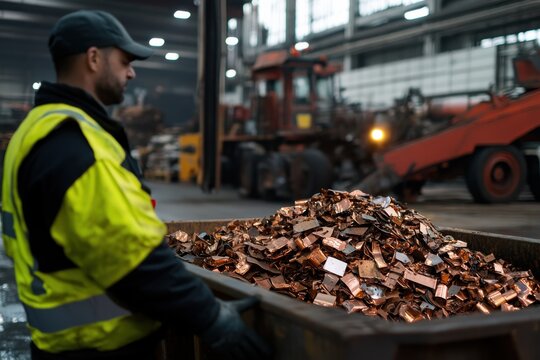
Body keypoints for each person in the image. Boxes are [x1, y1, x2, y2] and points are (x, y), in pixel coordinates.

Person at [1, 10, 271, 360]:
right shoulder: (75, 144)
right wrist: (211, 316)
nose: (132, 71)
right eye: (125, 60)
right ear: (94, 58)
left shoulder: (33, 131)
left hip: (59, 342)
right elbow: (131, 258)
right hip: (102, 345)